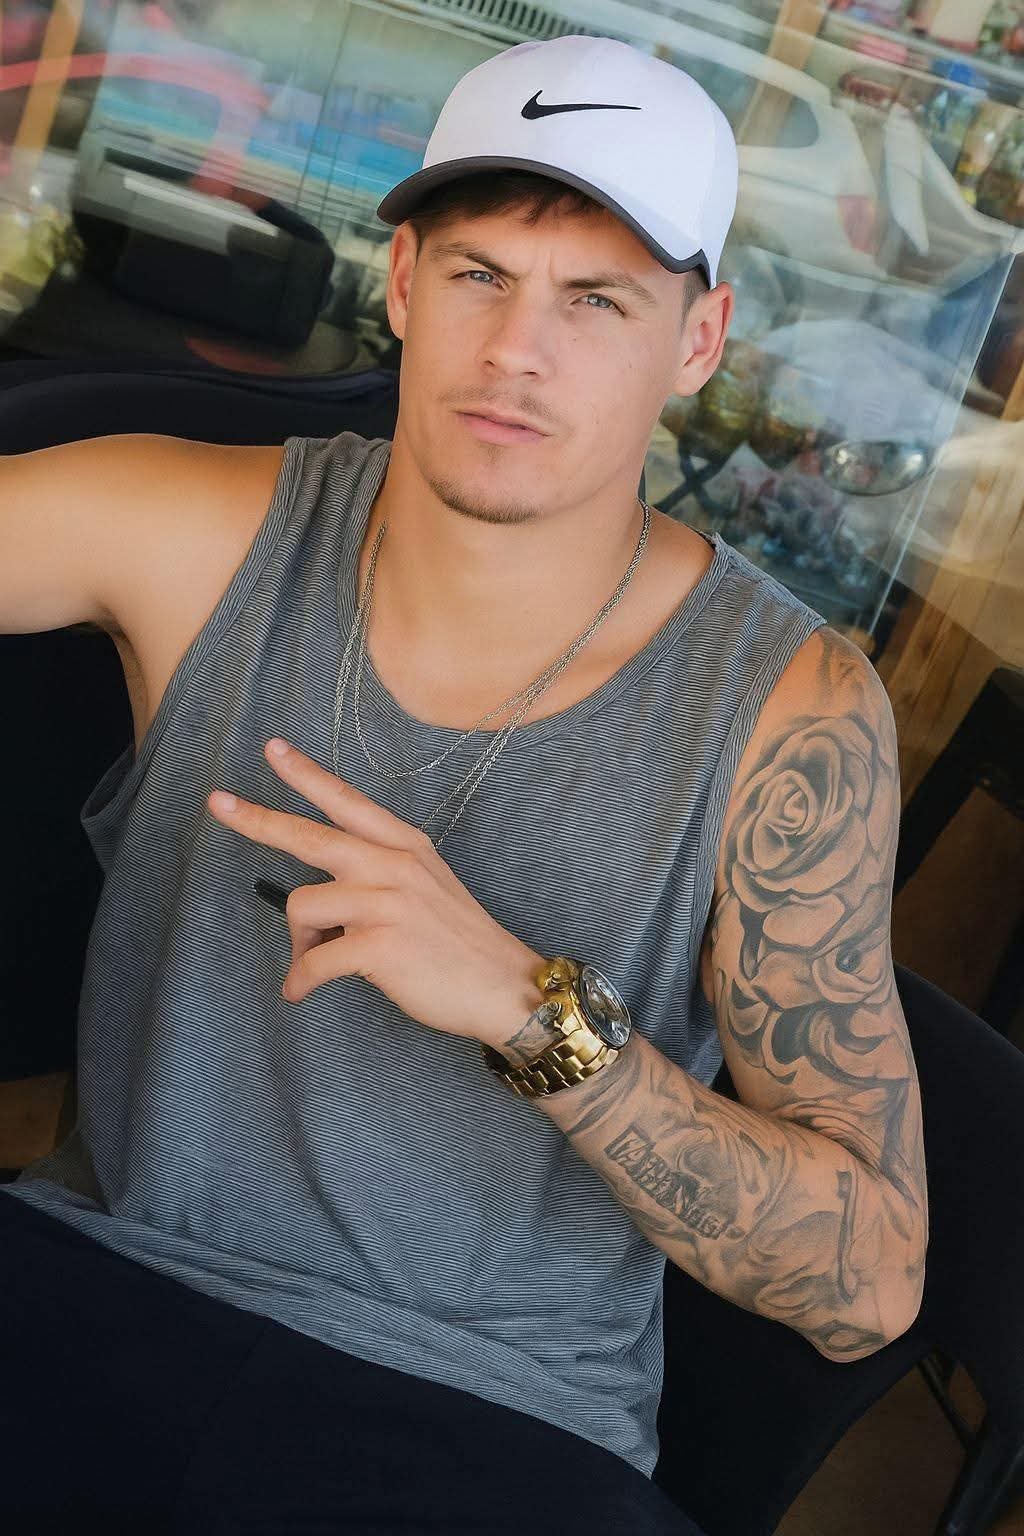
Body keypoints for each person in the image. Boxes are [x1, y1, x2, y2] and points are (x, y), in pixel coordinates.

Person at [0, 32, 928, 1536]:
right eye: (481, 274)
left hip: (478, 1420)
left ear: (698, 342)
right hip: (109, 1300)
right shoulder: (197, 528)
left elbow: (869, 1282)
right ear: (404, 284)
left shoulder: (789, 709)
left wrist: (528, 1009)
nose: (515, 350)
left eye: (595, 300)